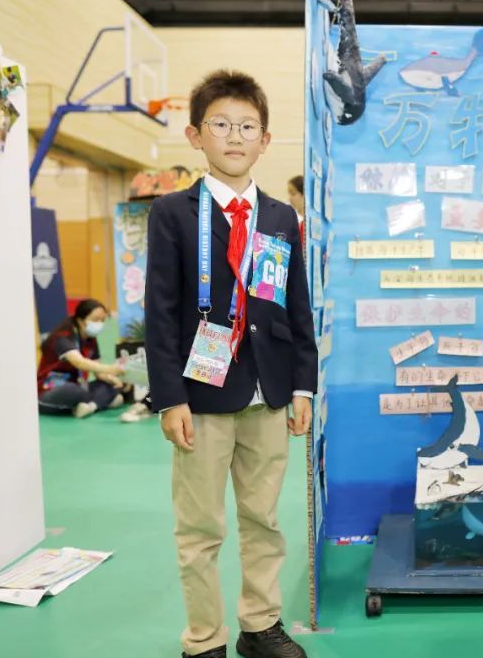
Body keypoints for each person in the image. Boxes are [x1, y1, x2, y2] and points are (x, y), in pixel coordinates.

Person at [146, 69, 317, 658]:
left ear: (265, 140)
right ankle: (204, 638)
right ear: (196, 135)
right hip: (200, 394)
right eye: (221, 125)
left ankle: (260, 626)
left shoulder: (281, 218)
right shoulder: (173, 213)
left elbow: (297, 306)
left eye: (248, 127)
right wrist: (169, 397)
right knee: (200, 527)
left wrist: (303, 387)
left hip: (268, 393)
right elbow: (160, 312)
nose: (235, 137)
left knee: (263, 519)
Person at [37, 299, 126, 418]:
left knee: (107, 386)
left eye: (102, 320)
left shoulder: (91, 338)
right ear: (80, 320)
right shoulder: (62, 336)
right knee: (74, 390)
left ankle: (90, 407)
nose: (99, 324)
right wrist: (111, 369)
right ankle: (100, 402)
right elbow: (79, 362)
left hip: (78, 386)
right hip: (49, 391)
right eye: (95, 319)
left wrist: (112, 379)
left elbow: (98, 372)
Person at [286, 174, 306, 254]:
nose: (290, 198)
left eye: (293, 194)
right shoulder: (300, 225)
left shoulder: (308, 226)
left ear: (304, 195)